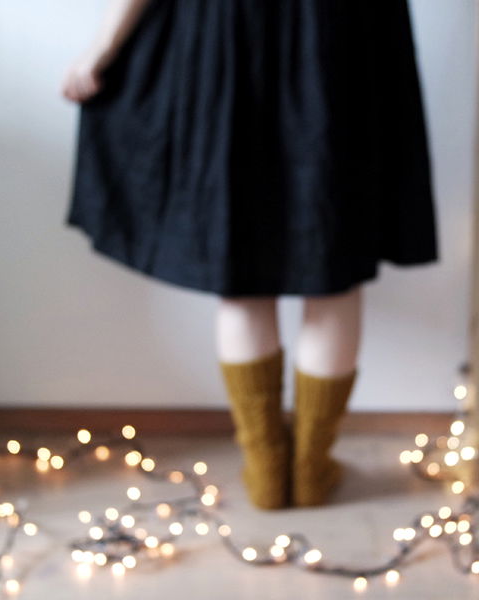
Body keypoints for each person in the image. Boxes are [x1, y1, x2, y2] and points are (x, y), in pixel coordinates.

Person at [61, 0, 439, 510]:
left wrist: (103, 48)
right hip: (342, 37)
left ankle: (265, 469)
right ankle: (310, 469)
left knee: (241, 273)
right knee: (334, 272)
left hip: (228, 36)